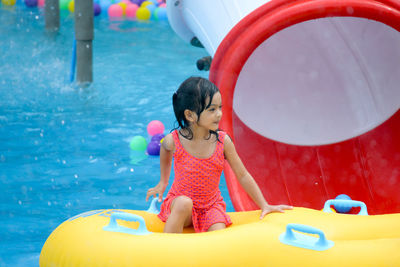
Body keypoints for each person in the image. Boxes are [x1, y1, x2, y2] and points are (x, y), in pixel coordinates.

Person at [146, 77, 292, 233]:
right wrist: (163, 181)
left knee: (219, 231)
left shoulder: (223, 142)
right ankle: (168, 249)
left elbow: (242, 175)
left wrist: (264, 205)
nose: (219, 114)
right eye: (212, 109)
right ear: (190, 115)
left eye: (220, 108)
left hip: (210, 207)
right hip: (180, 203)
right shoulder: (174, 140)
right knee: (184, 203)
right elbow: (165, 149)